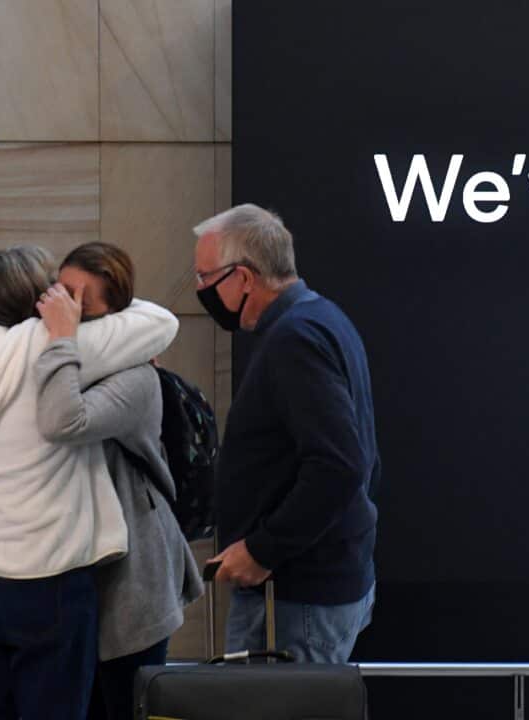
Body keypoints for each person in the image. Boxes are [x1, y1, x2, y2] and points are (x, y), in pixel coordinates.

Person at [0, 246, 178, 720]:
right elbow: (160, 322)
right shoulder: (57, 344)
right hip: (48, 580)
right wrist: (70, 312)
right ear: (37, 297)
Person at [193, 204, 379, 663]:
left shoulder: (296, 338)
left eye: (204, 277)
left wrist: (261, 550)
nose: (199, 290)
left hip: (297, 597)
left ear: (243, 277)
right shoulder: (317, 319)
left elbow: (339, 465)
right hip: (303, 589)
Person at [34, 242, 203, 720]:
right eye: (59, 290)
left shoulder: (135, 378)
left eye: (79, 301)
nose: (63, 307)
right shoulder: (54, 355)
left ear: (111, 317)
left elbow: (64, 420)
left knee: (123, 703)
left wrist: (64, 340)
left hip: (131, 579)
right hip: (73, 568)